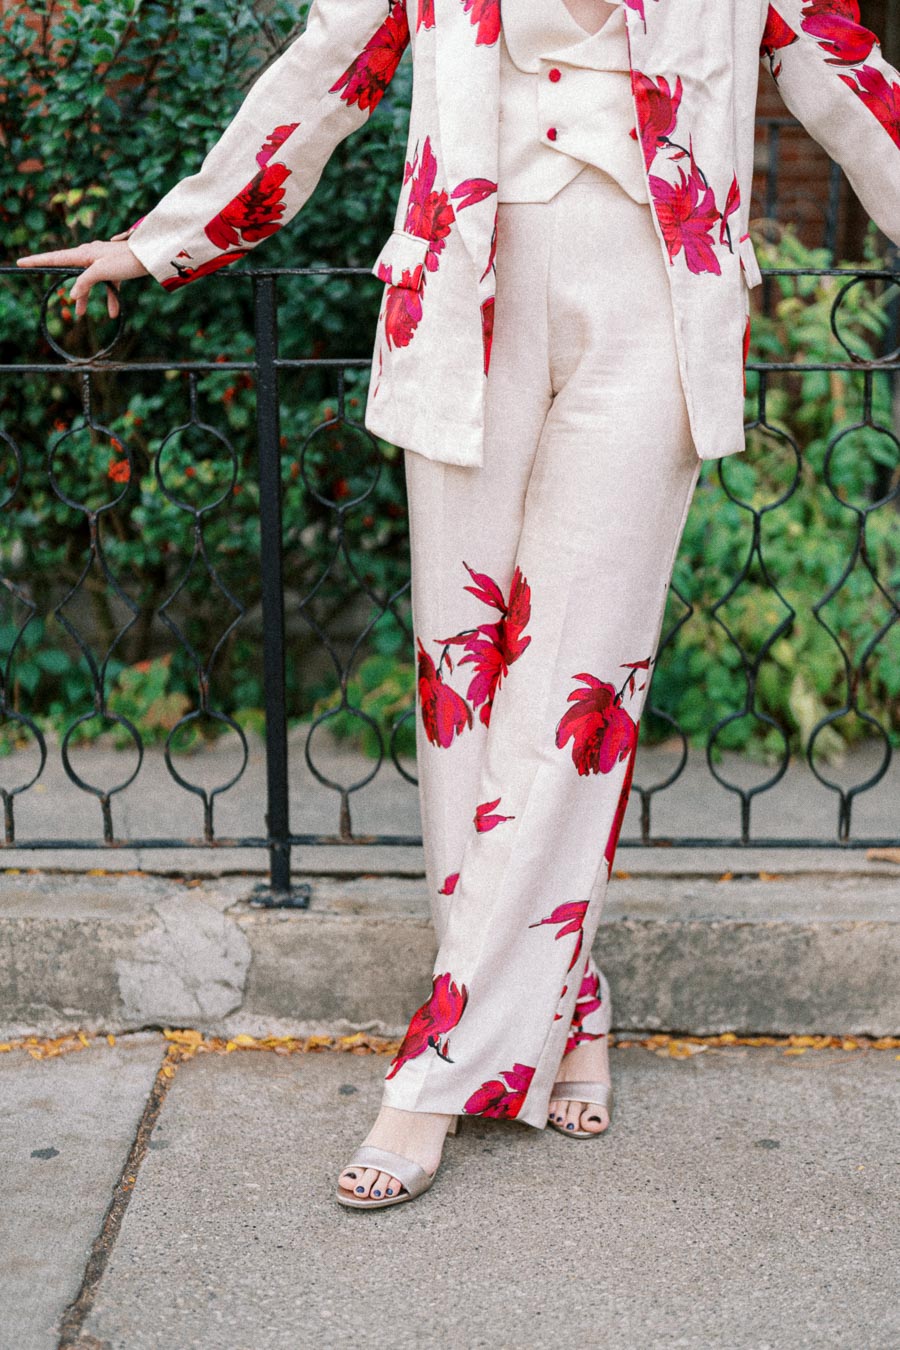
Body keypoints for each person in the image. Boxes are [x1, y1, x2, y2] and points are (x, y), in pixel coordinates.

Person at [18, 0, 900, 1211]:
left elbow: (851, 82)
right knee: (464, 683)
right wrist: (167, 238)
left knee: (575, 685)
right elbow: (330, 67)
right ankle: (566, 1002)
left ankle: (437, 1075)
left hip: (654, 307)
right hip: (460, 299)